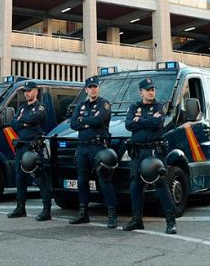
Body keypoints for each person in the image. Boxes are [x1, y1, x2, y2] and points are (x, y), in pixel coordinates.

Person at [123, 78, 177, 234]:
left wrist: (139, 120)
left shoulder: (159, 106)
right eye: (148, 90)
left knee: (160, 185)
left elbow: (157, 123)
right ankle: (136, 220)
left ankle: (170, 221)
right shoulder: (134, 106)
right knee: (135, 185)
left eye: (153, 89)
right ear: (141, 92)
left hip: (154, 152)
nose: (151, 92)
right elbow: (128, 125)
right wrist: (147, 120)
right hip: (137, 152)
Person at [69, 76, 118, 228]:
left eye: (95, 86)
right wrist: (87, 121)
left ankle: (112, 215)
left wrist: (83, 121)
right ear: (86, 90)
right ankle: (83, 214)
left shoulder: (104, 104)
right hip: (83, 147)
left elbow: (98, 121)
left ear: (98, 88)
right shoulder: (81, 105)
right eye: (90, 87)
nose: (93, 89)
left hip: (98, 147)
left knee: (104, 180)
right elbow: (73, 124)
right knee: (82, 180)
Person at [8, 81, 53, 221]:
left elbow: (36, 118)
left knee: (40, 179)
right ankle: (20, 208)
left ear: (36, 91)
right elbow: (14, 123)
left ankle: (46, 210)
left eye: (29, 91)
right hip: (21, 147)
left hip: (34, 147)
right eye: (25, 91)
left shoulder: (40, 107)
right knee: (19, 178)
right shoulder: (22, 108)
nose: (26, 93)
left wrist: (23, 122)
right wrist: (24, 123)